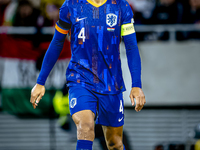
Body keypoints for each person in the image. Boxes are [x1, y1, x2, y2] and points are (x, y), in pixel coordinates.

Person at [30, 0, 146, 149]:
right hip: (80, 79)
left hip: (111, 83)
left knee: (114, 143)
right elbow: (57, 43)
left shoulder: (121, 6)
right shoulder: (71, 6)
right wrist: (40, 82)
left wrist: (136, 85)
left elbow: (131, 47)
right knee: (85, 127)